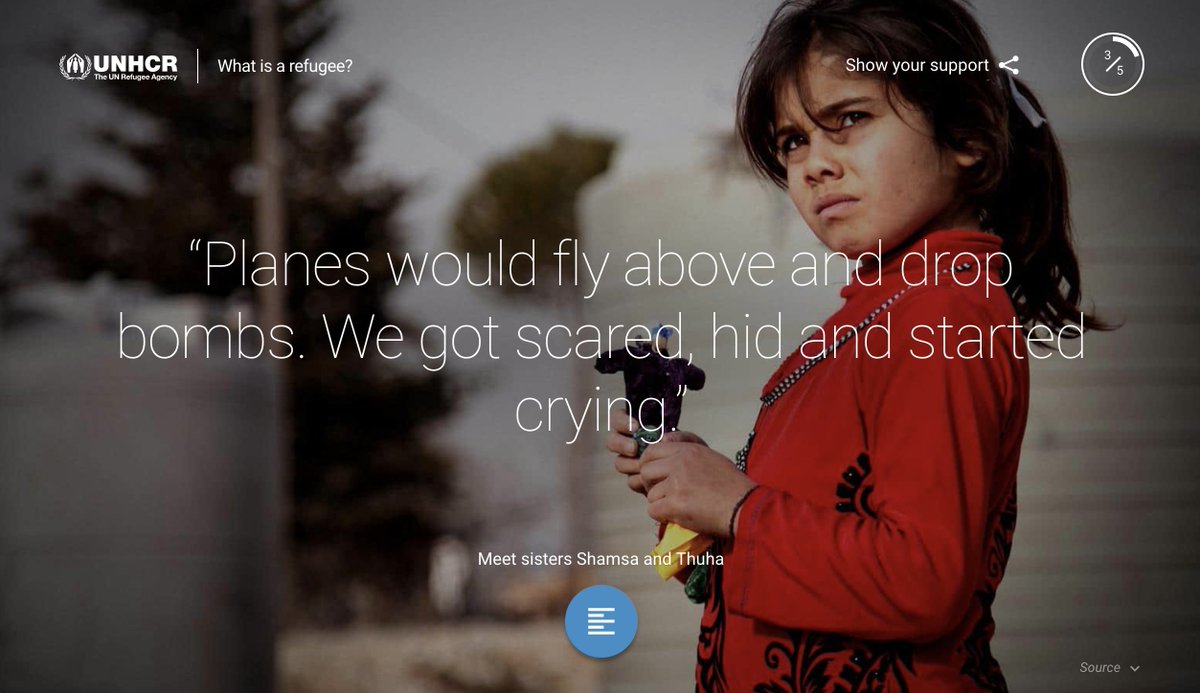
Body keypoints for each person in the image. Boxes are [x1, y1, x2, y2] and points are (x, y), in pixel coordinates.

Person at [606, 1, 1111, 690]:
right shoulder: (880, 315)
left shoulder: (941, 309)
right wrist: (699, 493)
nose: (814, 164)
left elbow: (923, 579)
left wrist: (738, 506)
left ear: (964, 134)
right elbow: (822, 537)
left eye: (848, 119)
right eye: (792, 142)